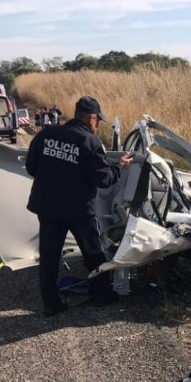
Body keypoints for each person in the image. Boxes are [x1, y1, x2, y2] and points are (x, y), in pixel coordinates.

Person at [25, 96, 132, 316]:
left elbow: (31, 167)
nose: (97, 125)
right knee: (93, 253)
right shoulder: (90, 143)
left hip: (47, 207)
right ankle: (102, 295)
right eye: (97, 121)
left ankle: (51, 304)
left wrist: (53, 177)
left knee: (49, 256)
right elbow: (103, 180)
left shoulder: (47, 134)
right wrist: (119, 167)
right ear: (92, 119)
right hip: (78, 210)